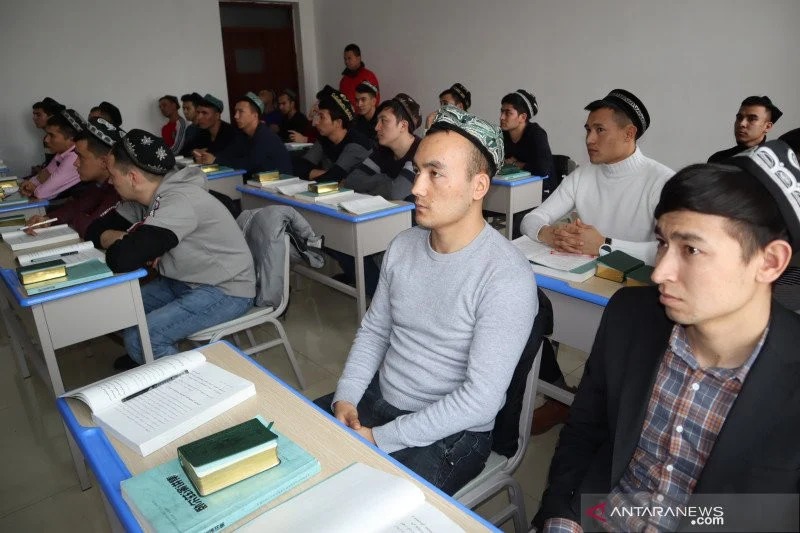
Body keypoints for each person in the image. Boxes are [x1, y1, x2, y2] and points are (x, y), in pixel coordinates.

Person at [535, 140, 800, 533]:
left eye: (691, 249)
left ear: (770, 261)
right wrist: (563, 519)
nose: (659, 273)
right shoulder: (632, 317)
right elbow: (583, 433)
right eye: (663, 243)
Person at [315, 105, 538, 495]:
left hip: (452, 431)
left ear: (478, 187)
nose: (417, 187)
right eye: (418, 171)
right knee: (297, 446)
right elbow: (374, 331)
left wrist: (381, 437)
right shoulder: (403, 245)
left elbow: (480, 402)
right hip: (380, 398)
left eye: (435, 174)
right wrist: (346, 396)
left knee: (367, 507)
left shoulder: (506, 276)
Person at [520, 89, 673, 434]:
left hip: (633, 292)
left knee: (613, 350)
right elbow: (532, 219)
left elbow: (668, 250)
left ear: (629, 132)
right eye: (587, 129)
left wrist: (603, 245)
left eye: (599, 130)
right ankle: (560, 396)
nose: (589, 139)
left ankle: (597, 412)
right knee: (525, 314)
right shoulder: (583, 176)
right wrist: (548, 234)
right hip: (579, 282)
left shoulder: (661, 181)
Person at [85, 130, 255, 370]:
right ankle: (147, 361)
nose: (110, 181)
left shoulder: (179, 200)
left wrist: (124, 242)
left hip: (225, 289)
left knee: (142, 339)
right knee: (121, 310)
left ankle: (190, 393)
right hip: (185, 280)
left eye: (113, 175)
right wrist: (124, 237)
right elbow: (93, 231)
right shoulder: (147, 197)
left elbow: (122, 259)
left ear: (133, 177)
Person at [338, 93, 422, 295]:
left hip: (417, 225)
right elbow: (352, 181)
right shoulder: (382, 151)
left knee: (368, 239)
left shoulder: (420, 151)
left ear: (403, 126)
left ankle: (384, 292)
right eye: (377, 122)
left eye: (384, 121)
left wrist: (379, 184)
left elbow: (398, 192)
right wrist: (385, 181)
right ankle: (375, 291)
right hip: (387, 217)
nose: (377, 128)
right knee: (344, 239)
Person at [25, 118, 121, 239]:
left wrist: (76, 218)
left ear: (103, 162)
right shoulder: (98, 185)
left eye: (81, 157)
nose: (75, 163)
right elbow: (77, 207)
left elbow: (90, 226)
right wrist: (47, 219)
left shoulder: (118, 190)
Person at [498, 89, 554, 237]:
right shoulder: (501, 134)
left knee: (519, 222)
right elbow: (494, 161)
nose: (502, 117)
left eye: (508, 113)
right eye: (501, 111)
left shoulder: (536, 134)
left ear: (523, 117)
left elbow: (542, 169)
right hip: (510, 189)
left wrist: (516, 164)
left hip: (540, 191)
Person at [293, 89, 372, 182]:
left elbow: (332, 179)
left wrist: (331, 175)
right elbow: (299, 168)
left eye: (322, 117)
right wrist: (330, 174)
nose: (316, 122)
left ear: (338, 122)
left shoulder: (355, 144)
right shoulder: (324, 138)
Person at [210, 92, 292, 175]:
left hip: (278, 184)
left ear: (255, 115)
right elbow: (228, 153)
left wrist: (216, 160)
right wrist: (210, 156)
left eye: (241, 112)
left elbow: (248, 164)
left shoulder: (265, 136)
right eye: (235, 111)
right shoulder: (242, 135)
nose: (236, 116)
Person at [20, 109, 84, 200]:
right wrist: (31, 184)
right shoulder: (62, 153)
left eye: (52, 135)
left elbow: (41, 193)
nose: (46, 140)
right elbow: (42, 175)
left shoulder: (74, 157)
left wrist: (37, 187)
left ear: (71, 139)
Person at [708, 95, 782, 163]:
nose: (742, 124)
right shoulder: (717, 160)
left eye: (752, 119)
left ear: (767, 127)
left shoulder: (776, 162)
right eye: (739, 118)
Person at [184, 94, 238, 161]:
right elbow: (185, 150)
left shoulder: (231, 133)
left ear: (217, 115)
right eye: (198, 112)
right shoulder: (202, 131)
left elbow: (227, 155)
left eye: (204, 113)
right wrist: (194, 151)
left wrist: (207, 152)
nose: (199, 117)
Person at [30, 97, 66, 171]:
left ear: (51, 116)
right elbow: (50, 162)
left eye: (38, 115)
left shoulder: (62, 137)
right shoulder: (46, 138)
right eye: (34, 114)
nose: (34, 118)